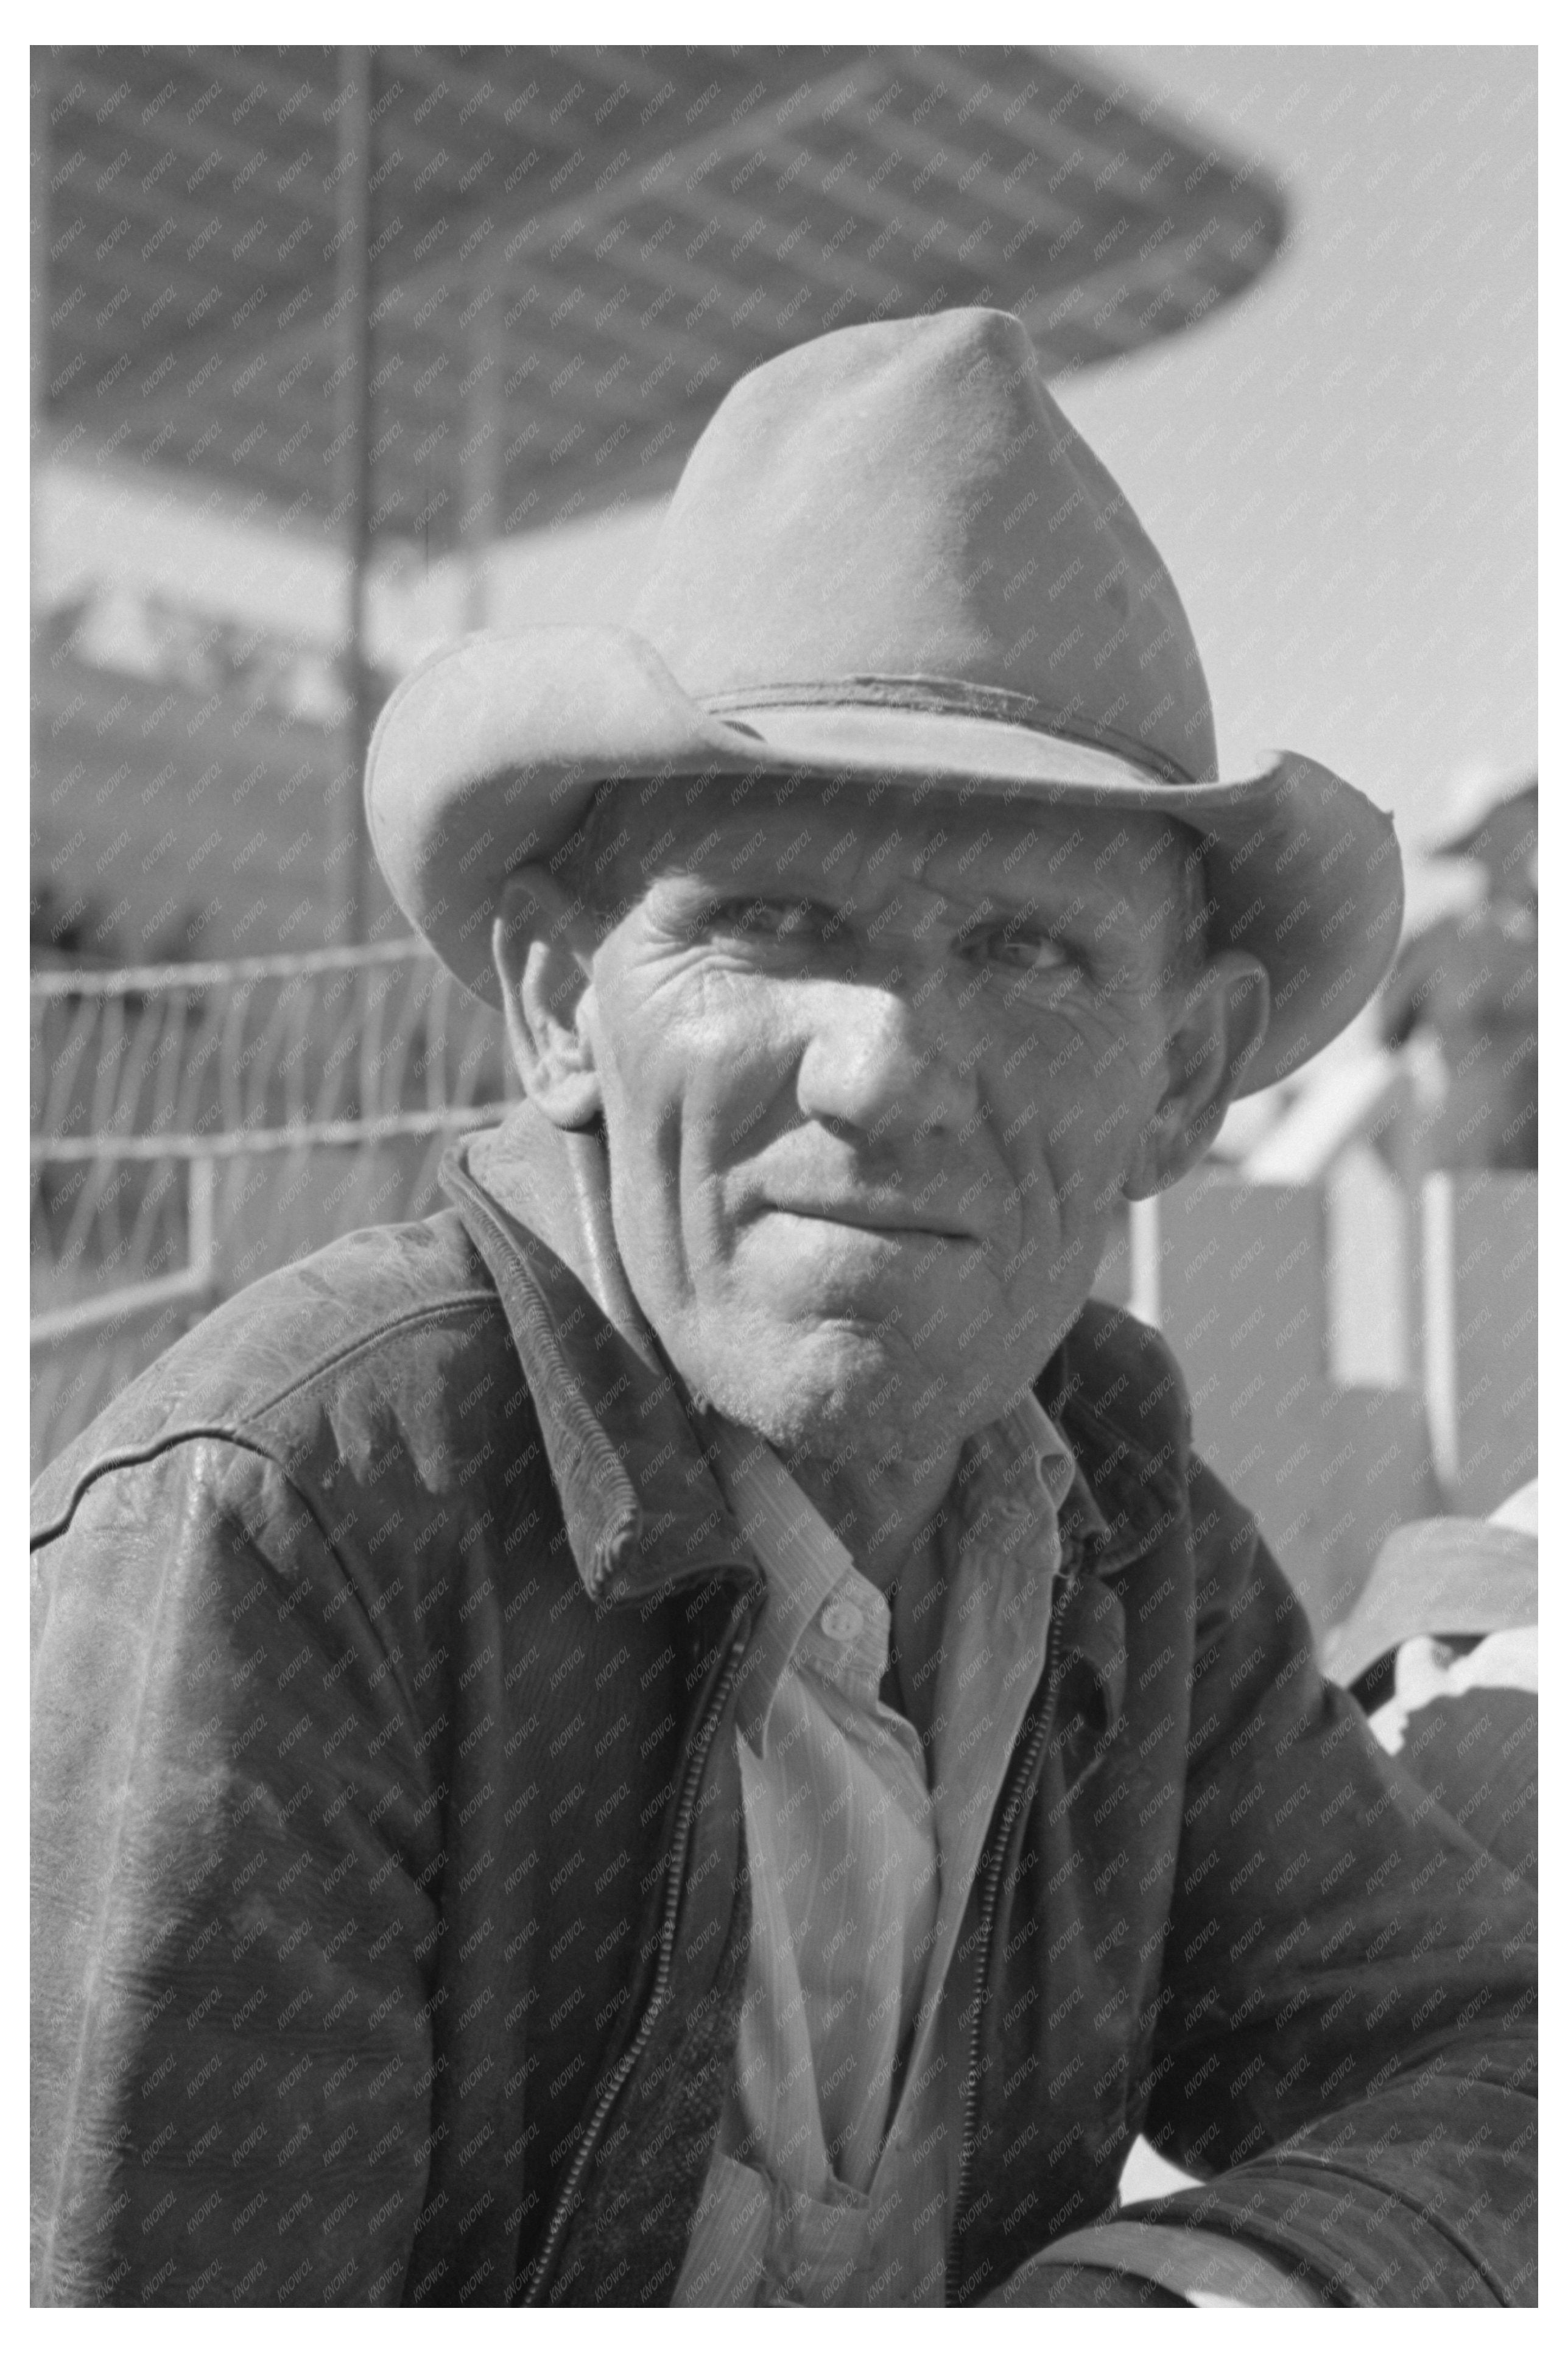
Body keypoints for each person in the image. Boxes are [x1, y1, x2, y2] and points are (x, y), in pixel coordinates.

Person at [30, 308, 1535, 2308]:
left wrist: (1168, 2309)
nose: (883, 1072)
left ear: (1186, 1078)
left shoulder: (1121, 1517)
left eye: (1025, 952)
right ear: (562, 1005)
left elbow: (1493, 2072)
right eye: (768, 925)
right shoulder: (298, 1543)